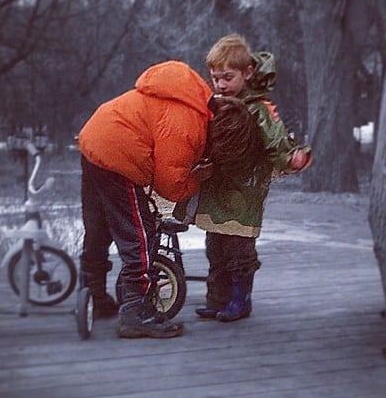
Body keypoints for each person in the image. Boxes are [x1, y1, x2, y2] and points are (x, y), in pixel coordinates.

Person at [77, 59, 262, 338]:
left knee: (99, 228)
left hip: (95, 141)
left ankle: (93, 296)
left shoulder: (191, 100)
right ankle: (136, 311)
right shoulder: (189, 126)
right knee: (140, 235)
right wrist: (199, 176)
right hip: (119, 156)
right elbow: (170, 187)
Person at [176, 34, 312, 323]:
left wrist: (291, 157)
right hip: (217, 186)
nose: (221, 84)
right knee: (215, 246)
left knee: (239, 247)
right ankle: (217, 298)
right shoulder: (214, 105)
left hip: (245, 189)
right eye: (216, 78)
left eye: (228, 77)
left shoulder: (258, 108)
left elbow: (275, 139)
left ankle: (241, 300)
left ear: (247, 73)